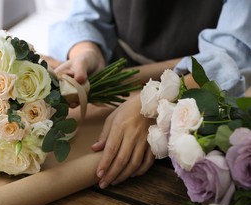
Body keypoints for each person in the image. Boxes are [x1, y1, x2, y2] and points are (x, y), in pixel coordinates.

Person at [47, 0, 251, 189]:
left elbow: (230, 61)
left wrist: (157, 104)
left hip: (192, 88)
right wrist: (86, 52)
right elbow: (86, 15)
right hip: (121, 69)